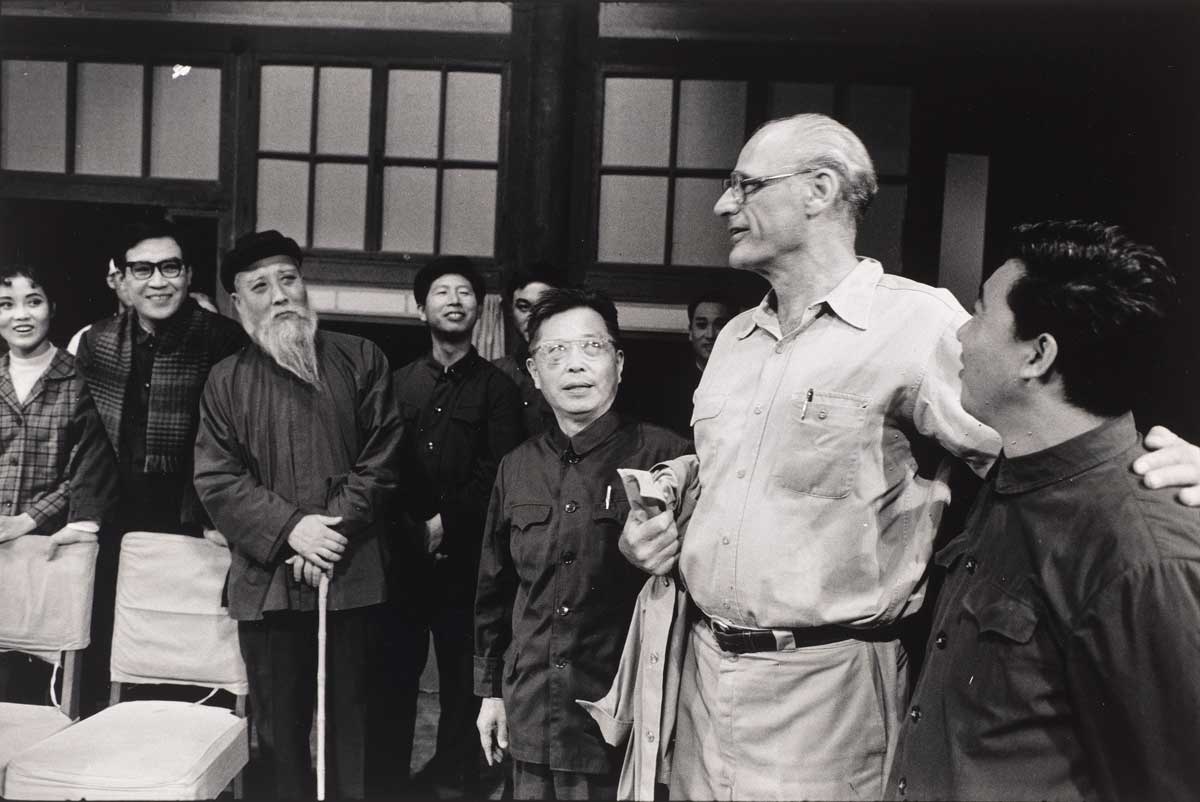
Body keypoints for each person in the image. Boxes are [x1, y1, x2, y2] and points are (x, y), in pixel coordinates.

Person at [617, 114, 1200, 801]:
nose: (722, 205)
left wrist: (1174, 477)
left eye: (744, 185)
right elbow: (726, 475)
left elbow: (1049, 440)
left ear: (818, 190)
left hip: (825, 696)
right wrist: (657, 522)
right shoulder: (736, 338)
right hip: (701, 677)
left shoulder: (921, 324)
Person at [887, 221, 1200, 801]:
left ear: (1037, 355)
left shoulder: (1144, 556)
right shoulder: (1015, 480)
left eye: (980, 313)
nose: (962, 333)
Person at [194, 229, 404, 799]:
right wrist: (293, 531)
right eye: (260, 286)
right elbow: (218, 477)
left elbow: (382, 459)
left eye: (289, 279)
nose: (281, 294)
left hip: (352, 575)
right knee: (279, 736)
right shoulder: (225, 381)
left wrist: (328, 532)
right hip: (268, 586)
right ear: (238, 304)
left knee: (353, 729)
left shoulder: (362, 358)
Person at [474, 288, 689, 799]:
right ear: (533, 372)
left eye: (591, 348)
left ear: (618, 362)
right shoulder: (516, 467)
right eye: (556, 352)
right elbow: (495, 590)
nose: (574, 366)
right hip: (532, 712)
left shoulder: (669, 457)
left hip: (624, 718)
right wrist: (490, 693)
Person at [74, 216, 245, 712]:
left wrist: (213, 520)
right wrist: (86, 515)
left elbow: (229, 442)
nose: (158, 281)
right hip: (117, 507)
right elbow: (89, 438)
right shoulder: (98, 341)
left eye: (170, 267)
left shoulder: (223, 340)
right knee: (110, 633)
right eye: (142, 269)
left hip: (195, 511)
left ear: (189, 275)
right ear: (122, 279)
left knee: (184, 640)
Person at [385, 255, 525, 796]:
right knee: (394, 681)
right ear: (421, 308)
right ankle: (392, 787)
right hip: (403, 559)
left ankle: (455, 785)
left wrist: (444, 523)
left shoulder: (498, 388)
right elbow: (381, 467)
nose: (454, 300)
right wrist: (413, 525)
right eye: (441, 291)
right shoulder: (396, 384)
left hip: (467, 565)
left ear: (478, 309)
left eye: (465, 292)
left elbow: (500, 470)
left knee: (461, 688)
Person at [0, 263, 117, 703]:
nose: (20, 315)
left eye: (33, 301)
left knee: (38, 688)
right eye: (6, 305)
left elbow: (89, 471)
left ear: (52, 308)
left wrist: (27, 520)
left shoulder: (82, 379)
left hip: (51, 550)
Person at [657, 294, 736, 437]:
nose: (710, 334)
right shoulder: (671, 384)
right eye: (701, 325)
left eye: (720, 325)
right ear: (690, 332)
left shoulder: (745, 381)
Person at [494, 262, 558, 436]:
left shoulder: (576, 370)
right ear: (510, 312)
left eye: (544, 306)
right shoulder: (494, 373)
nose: (533, 317)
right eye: (523, 307)